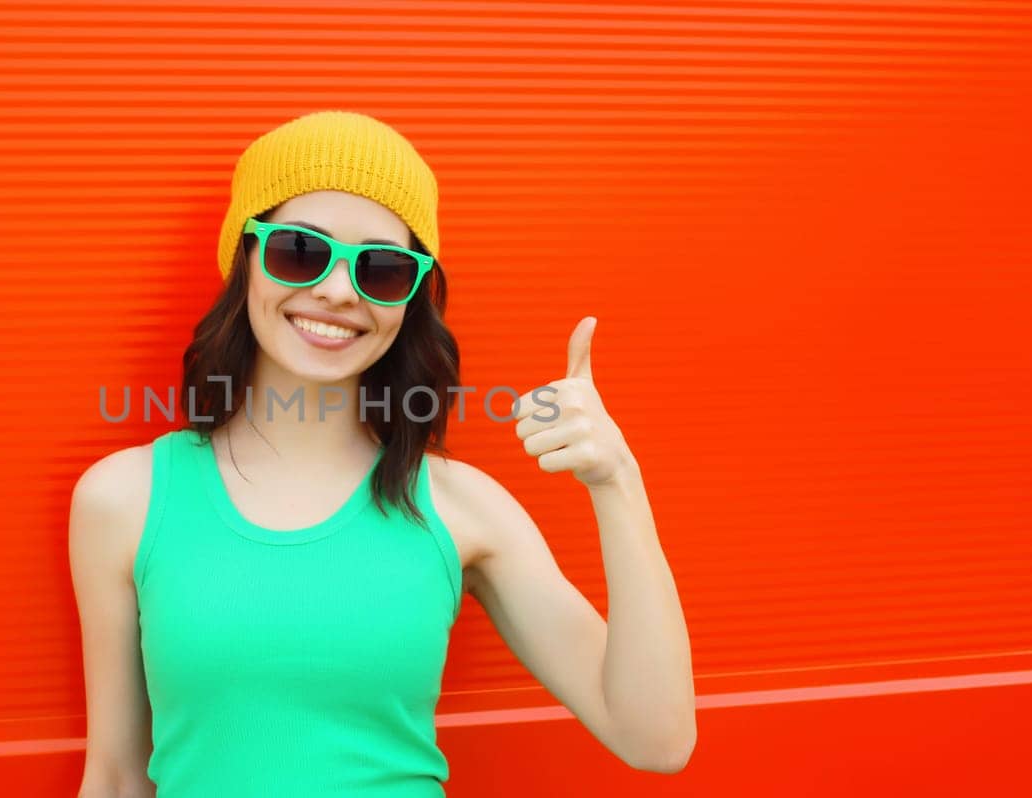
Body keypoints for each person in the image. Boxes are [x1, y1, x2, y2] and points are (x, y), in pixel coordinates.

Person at [70, 110, 695, 798]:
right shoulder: (124, 500)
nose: (338, 290)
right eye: (300, 251)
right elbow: (117, 777)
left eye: (383, 268)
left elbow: (656, 739)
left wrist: (618, 483)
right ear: (245, 258)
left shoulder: (463, 507)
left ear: (411, 300)